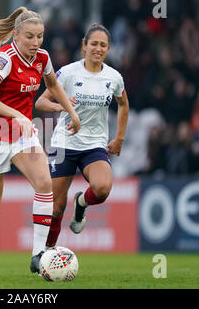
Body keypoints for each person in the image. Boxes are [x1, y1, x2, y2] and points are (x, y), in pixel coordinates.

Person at [0, 7, 81, 274]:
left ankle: (38, 254)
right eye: (30, 37)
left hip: (22, 135)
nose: (35, 43)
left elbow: (53, 86)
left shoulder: (42, 57)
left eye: (40, 36)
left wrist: (71, 111)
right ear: (16, 35)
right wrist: (17, 115)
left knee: (45, 184)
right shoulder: (4, 58)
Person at [34, 23, 129, 248]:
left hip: (94, 145)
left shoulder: (114, 77)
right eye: (94, 43)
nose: (98, 48)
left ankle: (80, 203)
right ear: (84, 46)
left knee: (103, 188)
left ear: (108, 48)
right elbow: (41, 101)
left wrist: (119, 138)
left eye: (103, 45)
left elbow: (123, 104)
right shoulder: (67, 73)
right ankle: (46, 254)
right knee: (56, 207)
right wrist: (63, 107)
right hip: (64, 144)